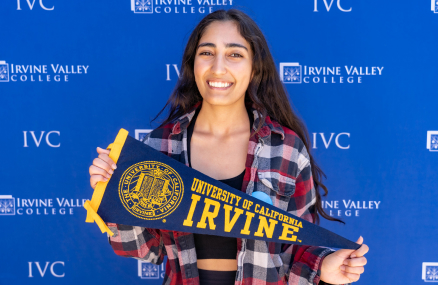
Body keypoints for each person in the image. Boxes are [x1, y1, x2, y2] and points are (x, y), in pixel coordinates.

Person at [88, 9, 368, 285]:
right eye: (206, 53)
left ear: (255, 67)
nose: (218, 67)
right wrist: (113, 195)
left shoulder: (286, 149)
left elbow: (295, 245)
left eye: (235, 54)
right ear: (192, 64)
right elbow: (150, 250)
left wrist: (324, 267)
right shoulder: (161, 145)